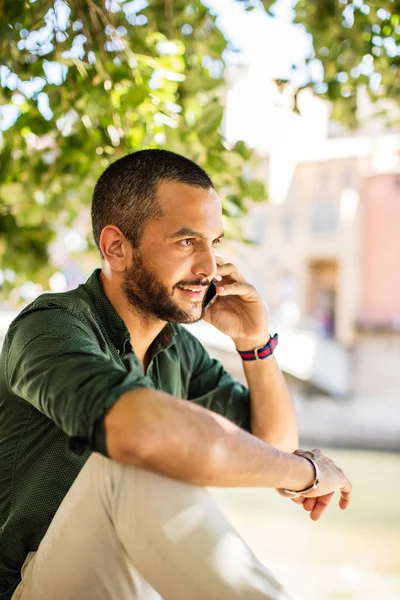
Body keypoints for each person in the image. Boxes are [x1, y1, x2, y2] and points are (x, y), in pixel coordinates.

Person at [0, 149, 352, 600]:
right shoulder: (50, 326)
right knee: (135, 458)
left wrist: (254, 342)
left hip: (119, 580)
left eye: (215, 243)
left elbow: (271, 449)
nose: (208, 268)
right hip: (24, 587)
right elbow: (142, 434)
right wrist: (304, 472)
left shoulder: (178, 348)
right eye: (187, 242)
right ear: (116, 247)